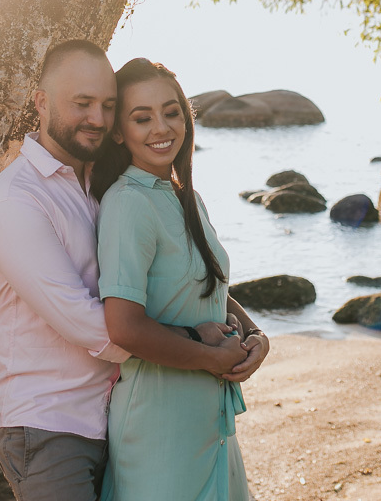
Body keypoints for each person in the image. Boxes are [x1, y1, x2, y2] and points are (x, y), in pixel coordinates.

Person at [0, 40, 245, 501]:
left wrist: (246, 330)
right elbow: (89, 322)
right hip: (49, 427)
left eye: (107, 105)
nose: (97, 118)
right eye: (82, 103)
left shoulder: (99, 183)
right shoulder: (16, 200)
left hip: (110, 414)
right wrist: (204, 346)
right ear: (41, 101)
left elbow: (171, 276)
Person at [92, 57, 271, 501]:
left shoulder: (185, 197)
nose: (161, 128)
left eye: (171, 112)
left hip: (208, 416)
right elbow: (124, 327)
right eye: (142, 117)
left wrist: (255, 335)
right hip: (158, 421)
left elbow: (212, 290)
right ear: (119, 131)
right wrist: (211, 359)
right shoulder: (127, 203)